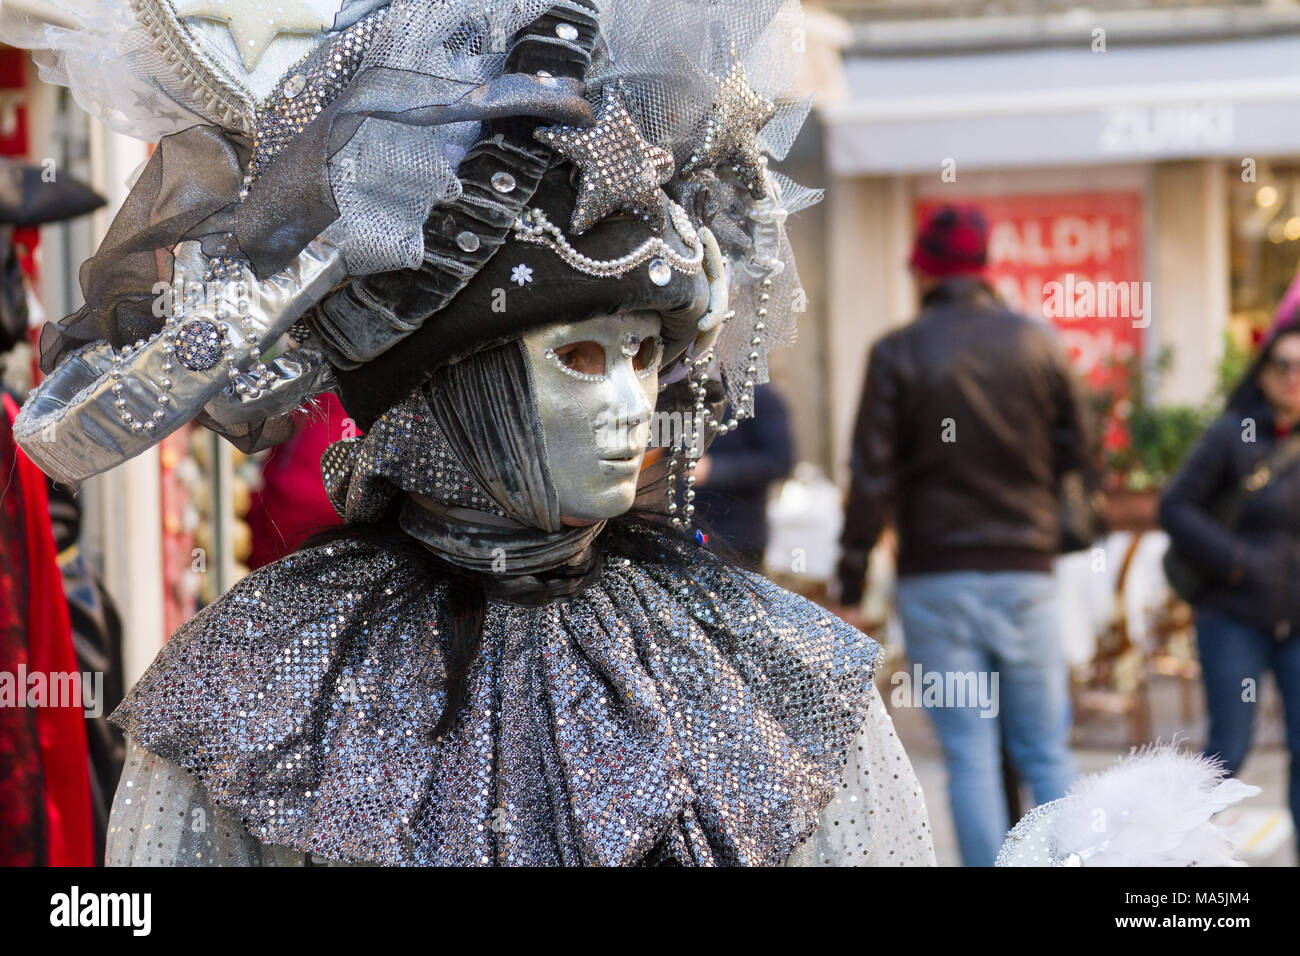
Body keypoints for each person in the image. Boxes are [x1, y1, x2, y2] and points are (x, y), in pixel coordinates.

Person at [7, 0, 936, 866]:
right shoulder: (256, 678)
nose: (631, 406)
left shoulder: (770, 673)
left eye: (647, 355)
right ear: (437, 391)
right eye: (579, 357)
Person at [835, 205, 1086, 867]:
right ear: (983, 268)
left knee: (970, 755)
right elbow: (1079, 453)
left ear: (924, 271)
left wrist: (851, 579)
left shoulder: (897, 352)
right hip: (1025, 570)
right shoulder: (1037, 342)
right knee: (1044, 748)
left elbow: (869, 476)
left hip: (936, 576)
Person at [1159, 316, 1300, 857]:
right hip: (1234, 615)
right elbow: (1174, 506)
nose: (1292, 377)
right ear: (1262, 374)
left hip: (1296, 623)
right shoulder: (1232, 433)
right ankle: (1182, 858)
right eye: (1281, 365)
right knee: (1229, 746)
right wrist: (1236, 561)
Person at [692, 383, 794, 570]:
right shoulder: (686, 391)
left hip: (738, 537)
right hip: (689, 533)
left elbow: (779, 462)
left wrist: (714, 469)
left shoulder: (758, 397)